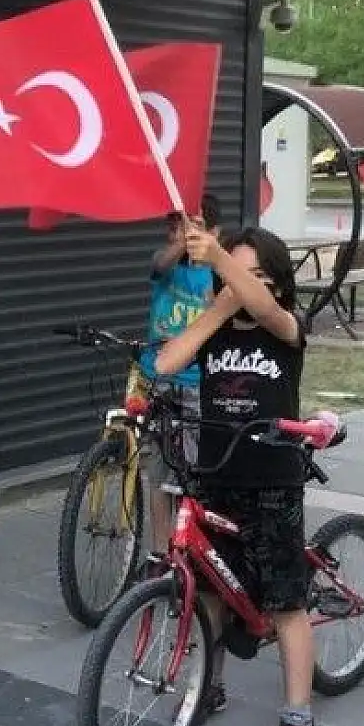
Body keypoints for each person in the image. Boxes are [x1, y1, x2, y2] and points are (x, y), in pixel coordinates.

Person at [155, 226, 315, 726]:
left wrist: (223, 259)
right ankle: (208, 685)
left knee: (285, 602)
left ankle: (299, 718)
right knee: (210, 591)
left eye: (254, 277)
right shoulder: (219, 326)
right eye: (231, 276)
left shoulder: (285, 329)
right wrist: (217, 308)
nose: (239, 286)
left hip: (272, 478)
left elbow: (266, 310)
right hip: (216, 473)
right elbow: (166, 363)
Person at [138, 196, 221, 553]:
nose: (183, 232)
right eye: (174, 225)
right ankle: (159, 553)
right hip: (157, 378)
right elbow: (158, 263)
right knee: (156, 470)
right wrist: (179, 240)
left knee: (192, 475)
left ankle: (192, 552)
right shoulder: (168, 266)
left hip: (195, 384)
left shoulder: (217, 274)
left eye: (194, 224)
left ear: (214, 232)